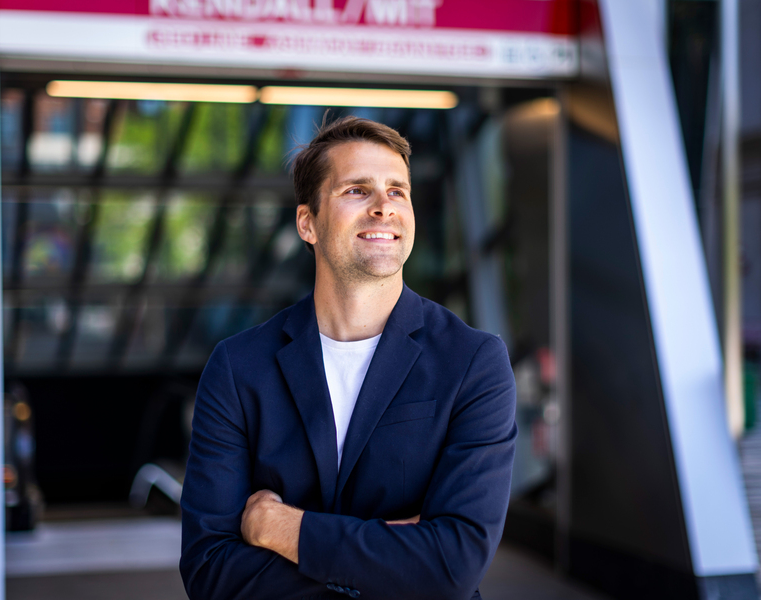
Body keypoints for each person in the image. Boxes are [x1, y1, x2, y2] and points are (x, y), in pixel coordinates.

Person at [179, 116, 517, 600]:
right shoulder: (238, 368)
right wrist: (394, 561)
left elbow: (451, 566)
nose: (384, 206)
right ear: (307, 223)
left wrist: (280, 528)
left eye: (397, 191)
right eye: (357, 190)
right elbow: (210, 572)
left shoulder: (473, 362)